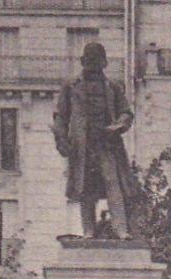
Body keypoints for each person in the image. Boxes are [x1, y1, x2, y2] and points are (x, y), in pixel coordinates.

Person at [52, 42, 134, 237]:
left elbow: (126, 112)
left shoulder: (113, 87)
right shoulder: (71, 87)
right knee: (85, 188)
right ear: (82, 61)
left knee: (113, 185)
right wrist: (61, 139)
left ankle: (121, 230)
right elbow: (60, 116)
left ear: (103, 63)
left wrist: (119, 125)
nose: (92, 64)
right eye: (89, 60)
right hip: (82, 145)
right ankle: (88, 231)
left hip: (107, 143)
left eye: (96, 61)